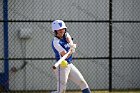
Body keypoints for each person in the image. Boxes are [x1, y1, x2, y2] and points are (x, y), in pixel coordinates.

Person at [51, 20, 91, 93]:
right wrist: (72, 49)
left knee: (82, 82)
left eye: (63, 29)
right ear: (55, 31)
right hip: (62, 67)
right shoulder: (55, 42)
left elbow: (69, 40)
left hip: (69, 64)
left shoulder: (65, 35)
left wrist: (71, 45)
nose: (61, 31)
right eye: (59, 30)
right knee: (61, 91)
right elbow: (65, 55)